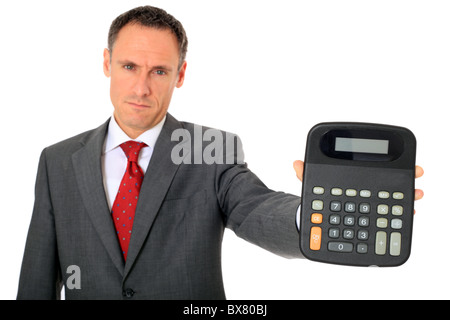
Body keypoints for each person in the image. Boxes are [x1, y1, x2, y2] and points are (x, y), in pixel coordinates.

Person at [17, 6, 424, 300]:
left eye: (159, 71)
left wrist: (317, 211)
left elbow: (255, 207)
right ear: (106, 63)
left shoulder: (211, 150)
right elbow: (37, 279)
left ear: (181, 74)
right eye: (129, 67)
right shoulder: (57, 160)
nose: (142, 87)